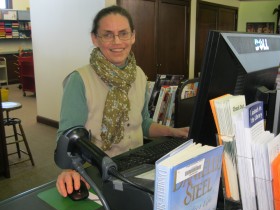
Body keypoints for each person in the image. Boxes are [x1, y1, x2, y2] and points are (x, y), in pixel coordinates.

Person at [56, 5, 189, 197]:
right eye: (108, 35)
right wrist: (68, 169)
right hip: (96, 173)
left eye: (123, 33)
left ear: (133, 36)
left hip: (136, 166)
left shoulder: (139, 75)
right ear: (95, 39)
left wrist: (172, 131)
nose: (117, 41)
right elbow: (68, 138)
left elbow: (142, 123)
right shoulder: (79, 80)